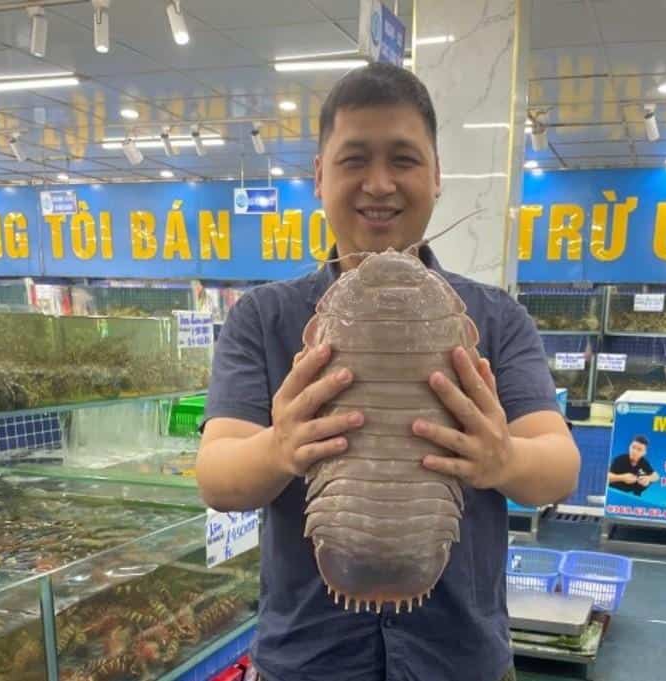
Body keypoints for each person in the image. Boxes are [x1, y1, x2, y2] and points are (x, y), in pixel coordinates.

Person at [196, 62, 580, 681]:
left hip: (459, 660)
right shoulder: (264, 319)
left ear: (436, 176)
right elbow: (217, 477)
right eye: (354, 160)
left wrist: (502, 458)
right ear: (319, 176)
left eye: (403, 159)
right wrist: (281, 446)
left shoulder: (496, 318)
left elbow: (559, 465)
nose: (380, 183)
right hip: (306, 659)